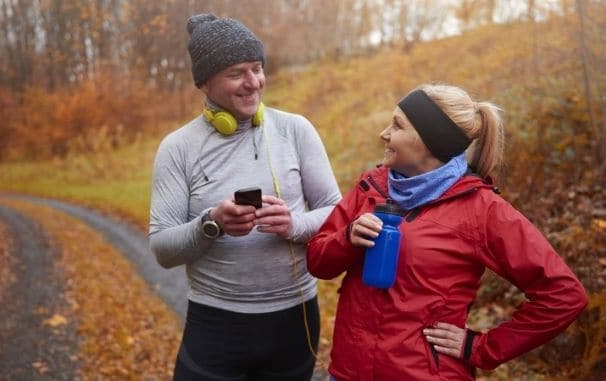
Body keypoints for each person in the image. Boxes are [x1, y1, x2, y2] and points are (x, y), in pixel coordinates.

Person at [306, 84, 588, 380]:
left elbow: (564, 295)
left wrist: (482, 347)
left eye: (398, 125)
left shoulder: (483, 210)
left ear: (430, 143)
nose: (384, 134)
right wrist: (347, 238)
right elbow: (317, 261)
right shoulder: (371, 187)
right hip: (347, 372)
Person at [148, 13, 341, 381]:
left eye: (257, 68)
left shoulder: (295, 130)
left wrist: (294, 224)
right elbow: (162, 248)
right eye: (237, 73)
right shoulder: (177, 148)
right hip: (216, 324)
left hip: (294, 319)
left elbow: (336, 211)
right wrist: (211, 224)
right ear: (204, 82)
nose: (253, 83)